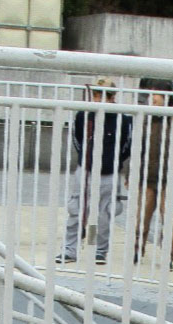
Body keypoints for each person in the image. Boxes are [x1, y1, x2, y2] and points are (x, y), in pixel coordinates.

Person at [57, 76, 131, 266]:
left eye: (102, 95)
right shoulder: (84, 115)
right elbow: (77, 139)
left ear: (112, 97)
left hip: (109, 173)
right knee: (76, 210)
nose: (98, 99)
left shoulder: (123, 119)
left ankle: (99, 250)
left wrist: (112, 161)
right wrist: (85, 157)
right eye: (96, 95)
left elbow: (126, 145)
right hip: (85, 170)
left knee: (104, 214)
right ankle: (70, 249)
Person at [133, 77, 173, 268]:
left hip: (170, 180)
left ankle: (168, 258)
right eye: (151, 93)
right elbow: (136, 146)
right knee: (141, 219)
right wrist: (131, 173)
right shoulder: (145, 117)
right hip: (146, 177)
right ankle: (136, 251)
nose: (153, 97)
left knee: (169, 222)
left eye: (157, 93)